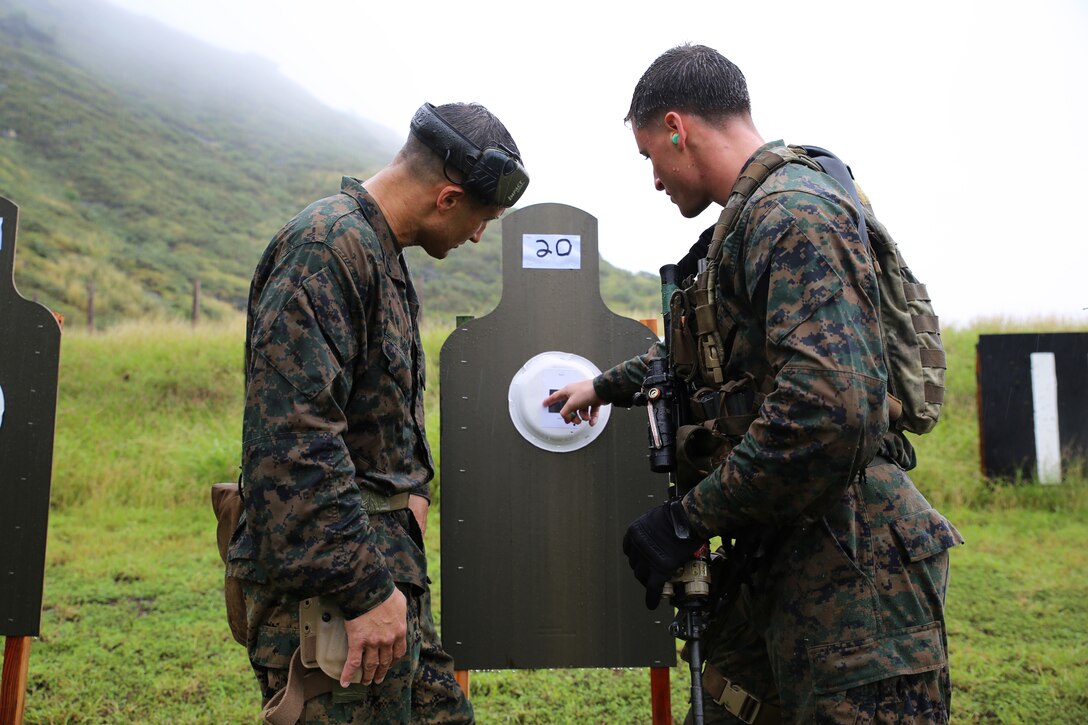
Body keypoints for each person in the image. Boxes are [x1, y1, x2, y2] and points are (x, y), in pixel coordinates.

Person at [544, 44, 962, 724]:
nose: (653, 180)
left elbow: (831, 411)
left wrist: (688, 519)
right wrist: (603, 387)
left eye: (650, 156)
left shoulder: (791, 213)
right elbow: (703, 358)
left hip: (854, 564)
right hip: (786, 545)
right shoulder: (748, 224)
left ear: (678, 128)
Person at [229, 101, 527, 723]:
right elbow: (292, 445)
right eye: (481, 220)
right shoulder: (326, 249)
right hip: (334, 599)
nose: (478, 236)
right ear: (447, 198)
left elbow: (367, 422)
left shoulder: (377, 252)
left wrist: (409, 496)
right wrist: (365, 591)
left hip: (379, 577)